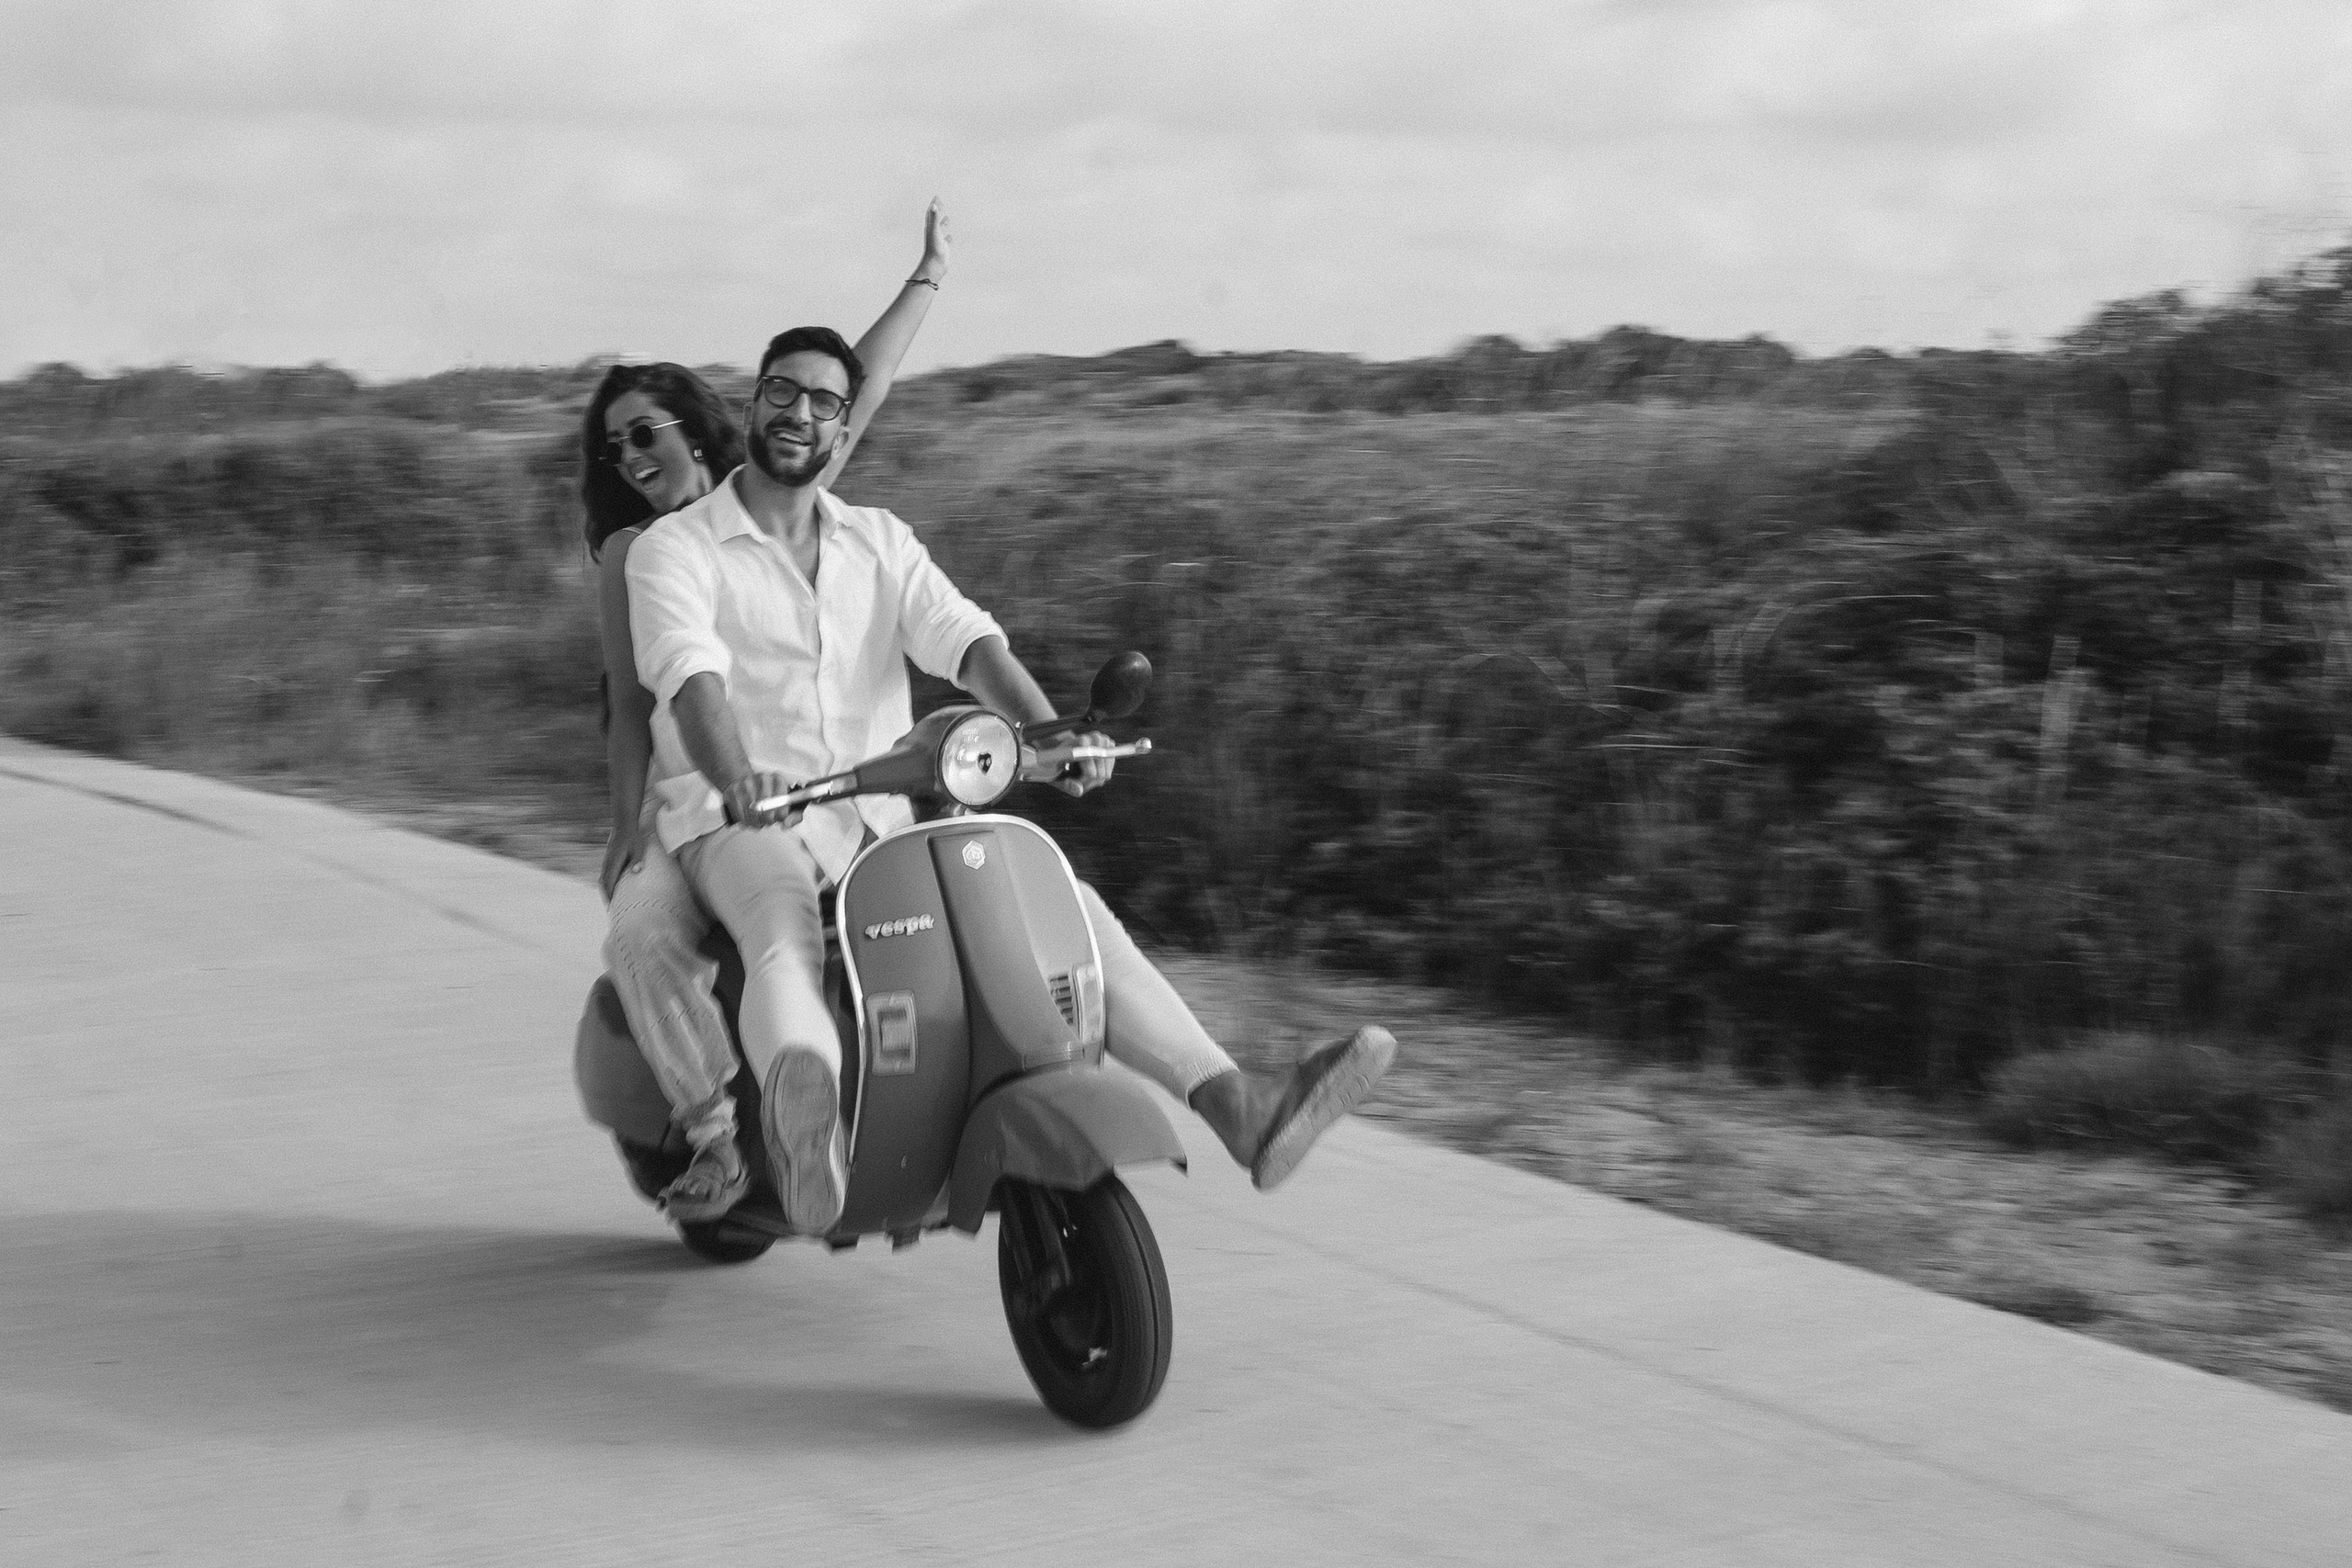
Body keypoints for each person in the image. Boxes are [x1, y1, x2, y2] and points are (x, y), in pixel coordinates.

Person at [626, 324, 1397, 1233]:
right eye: (783, 392)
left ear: (843, 425)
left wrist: (1051, 734)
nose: (801, 413)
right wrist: (737, 775)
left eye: (824, 401)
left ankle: (1238, 1105)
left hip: (872, 813)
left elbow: (966, 640)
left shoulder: (878, 540)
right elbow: (691, 677)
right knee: (782, 925)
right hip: (742, 817)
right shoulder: (677, 548)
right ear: (754, 402)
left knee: (1060, 905)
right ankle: (807, 1124)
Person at [584, 203, 952, 1223]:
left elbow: (863, 380)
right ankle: (712, 1133)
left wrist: (927, 277)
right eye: (615, 449)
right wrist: (625, 827)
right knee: (638, 933)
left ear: (696, 424)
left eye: (645, 432)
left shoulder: (789, 489)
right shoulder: (635, 555)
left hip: (814, 792)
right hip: (694, 804)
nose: (632, 457)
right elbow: (629, 707)